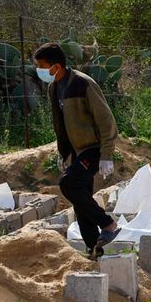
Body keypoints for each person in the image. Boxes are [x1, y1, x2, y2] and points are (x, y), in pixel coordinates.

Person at [34, 42, 120, 259]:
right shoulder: (53, 87)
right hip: (77, 152)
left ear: (56, 66)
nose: (40, 70)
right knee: (82, 202)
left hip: (93, 147)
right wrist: (63, 152)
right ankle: (94, 249)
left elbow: (106, 119)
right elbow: (59, 123)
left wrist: (107, 154)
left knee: (68, 183)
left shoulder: (83, 84)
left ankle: (108, 224)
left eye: (42, 66)